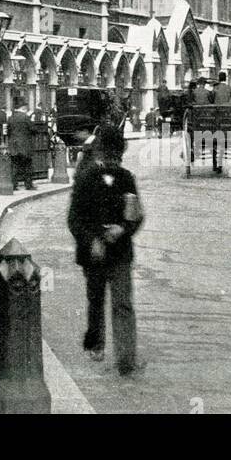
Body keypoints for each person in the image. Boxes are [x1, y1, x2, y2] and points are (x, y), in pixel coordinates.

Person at [67, 123, 143, 374]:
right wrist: (93, 240)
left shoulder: (125, 178)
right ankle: (96, 343)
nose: (112, 161)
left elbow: (135, 215)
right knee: (96, 300)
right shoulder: (86, 179)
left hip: (119, 252)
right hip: (94, 254)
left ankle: (126, 359)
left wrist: (123, 228)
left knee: (122, 304)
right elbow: (75, 219)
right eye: (109, 156)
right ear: (100, 154)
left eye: (116, 157)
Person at [6, 96, 35, 191]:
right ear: (23, 108)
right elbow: (33, 129)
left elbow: (8, 131)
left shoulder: (11, 118)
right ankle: (28, 185)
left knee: (14, 165)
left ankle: (14, 185)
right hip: (24, 145)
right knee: (27, 165)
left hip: (13, 145)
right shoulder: (25, 117)